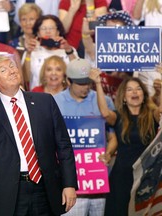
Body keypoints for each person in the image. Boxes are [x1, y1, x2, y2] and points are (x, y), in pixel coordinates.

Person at [0, 54, 78, 216]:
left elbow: (64, 146)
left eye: (12, 66)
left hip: (45, 189)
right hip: (8, 193)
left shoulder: (45, 101)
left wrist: (69, 184)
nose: (12, 71)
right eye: (4, 70)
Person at [54, 58, 117, 216]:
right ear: (69, 81)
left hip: (98, 178)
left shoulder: (104, 101)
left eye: (88, 82)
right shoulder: (56, 102)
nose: (86, 87)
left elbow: (113, 136)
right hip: (70, 183)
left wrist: (108, 153)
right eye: (81, 83)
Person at [95, 67, 162, 215]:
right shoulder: (118, 117)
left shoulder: (152, 116)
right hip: (121, 177)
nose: (134, 92)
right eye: (129, 89)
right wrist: (98, 83)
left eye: (138, 89)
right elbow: (105, 112)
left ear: (144, 95)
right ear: (124, 97)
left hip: (145, 176)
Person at [23, 14, 78, 91]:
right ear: (38, 33)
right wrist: (28, 54)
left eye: (51, 28)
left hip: (64, 95)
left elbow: (78, 74)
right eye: (43, 28)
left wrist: (68, 50)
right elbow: (26, 79)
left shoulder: (69, 50)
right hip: (38, 95)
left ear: (58, 32)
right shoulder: (31, 51)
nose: (48, 31)